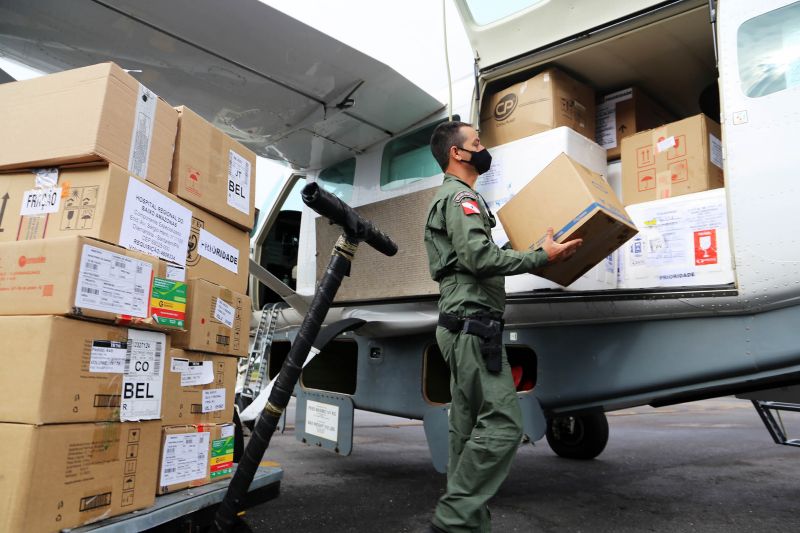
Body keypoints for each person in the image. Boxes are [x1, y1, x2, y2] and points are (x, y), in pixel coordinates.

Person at [424, 121, 582, 532]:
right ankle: (455, 518)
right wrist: (539, 259)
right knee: (506, 424)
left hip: (463, 326)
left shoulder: (459, 198)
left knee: (465, 429)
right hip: (473, 327)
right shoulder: (462, 199)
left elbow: (479, 256)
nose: (483, 148)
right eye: (476, 143)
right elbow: (479, 260)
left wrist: (536, 249)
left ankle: (466, 525)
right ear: (457, 154)